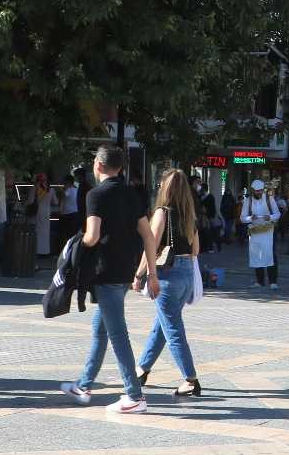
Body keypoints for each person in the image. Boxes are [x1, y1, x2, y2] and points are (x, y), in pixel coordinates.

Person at [59, 144, 156, 412]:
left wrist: (73, 247)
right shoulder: (131, 193)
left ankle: (134, 396)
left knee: (117, 334)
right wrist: (151, 273)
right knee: (100, 330)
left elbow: (92, 237)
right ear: (120, 167)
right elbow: (148, 236)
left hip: (105, 272)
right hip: (125, 271)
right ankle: (84, 385)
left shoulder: (95, 194)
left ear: (98, 165)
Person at [135, 169, 202, 398]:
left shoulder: (162, 213)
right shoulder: (189, 215)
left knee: (173, 329)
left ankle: (190, 380)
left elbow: (151, 246)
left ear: (165, 188)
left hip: (168, 275)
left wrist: (140, 274)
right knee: (162, 324)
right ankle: (142, 369)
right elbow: (196, 250)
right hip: (187, 275)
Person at [241, 179, 281, 289]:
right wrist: (250, 218)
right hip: (255, 231)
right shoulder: (248, 201)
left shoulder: (269, 199)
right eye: (257, 191)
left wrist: (270, 217)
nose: (259, 193)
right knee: (256, 255)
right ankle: (260, 281)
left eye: (260, 190)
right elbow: (242, 218)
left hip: (268, 231)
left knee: (270, 255)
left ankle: (273, 281)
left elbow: (277, 214)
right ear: (253, 190)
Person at [31, 172, 57, 257]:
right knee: (46, 232)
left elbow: (30, 201)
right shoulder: (51, 189)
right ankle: (45, 252)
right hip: (47, 212)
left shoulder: (35, 188)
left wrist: (23, 204)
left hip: (37, 211)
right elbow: (56, 202)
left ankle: (38, 251)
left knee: (38, 231)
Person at [58, 174, 81, 248]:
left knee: (64, 234)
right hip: (75, 214)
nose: (63, 184)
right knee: (72, 234)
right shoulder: (77, 189)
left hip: (67, 215)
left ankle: (64, 249)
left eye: (64, 182)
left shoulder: (69, 189)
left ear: (68, 182)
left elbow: (64, 195)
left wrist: (61, 190)